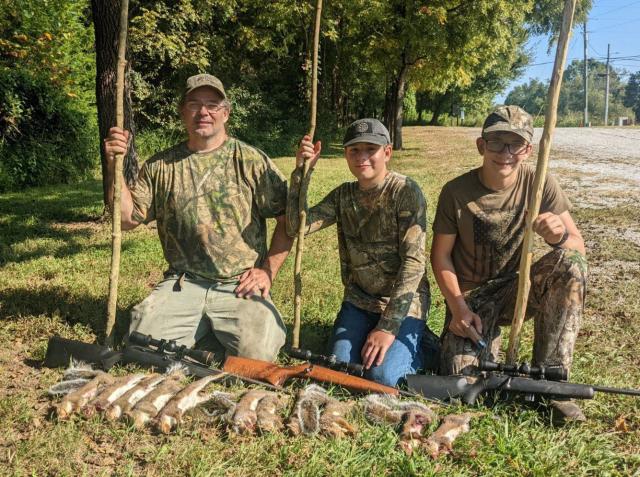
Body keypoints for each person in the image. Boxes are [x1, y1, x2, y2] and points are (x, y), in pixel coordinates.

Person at [103, 73, 292, 362]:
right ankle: (207, 335)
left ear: (225, 113)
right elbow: (127, 219)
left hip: (239, 285)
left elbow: (288, 219)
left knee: (257, 356)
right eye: (194, 104)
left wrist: (267, 271)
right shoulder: (160, 166)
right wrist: (113, 164)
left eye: (212, 105)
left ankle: (208, 335)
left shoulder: (251, 161)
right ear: (183, 112)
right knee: (142, 350)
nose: (203, 112)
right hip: (183, 283)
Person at [431, 105, 588, 423]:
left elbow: (577, 246)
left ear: (528, 150)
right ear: (481, 145)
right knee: (464, 383)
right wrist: (458, 308)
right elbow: (440, 256)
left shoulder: (540, 183)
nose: (506, 153)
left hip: (518, 291)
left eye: (516, 144)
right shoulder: (455, 192)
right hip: (472, 301)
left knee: (570, 264)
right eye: (497, 142)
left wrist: (557, 237)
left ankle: (552, 384)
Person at [287, 119, 432, 387]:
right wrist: (302, 172)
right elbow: (297, 226)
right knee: (341, 369)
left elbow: (414, 263)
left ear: (387, 152)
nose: (362, 156)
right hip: (360, 300)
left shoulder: (405, 192)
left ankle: (422, 345)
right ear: (345, 154)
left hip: (404, 302)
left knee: (382, 378)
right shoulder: (343, 195)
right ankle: (372, 333)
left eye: (370, 149)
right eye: (354, 150)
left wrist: (388, 327)